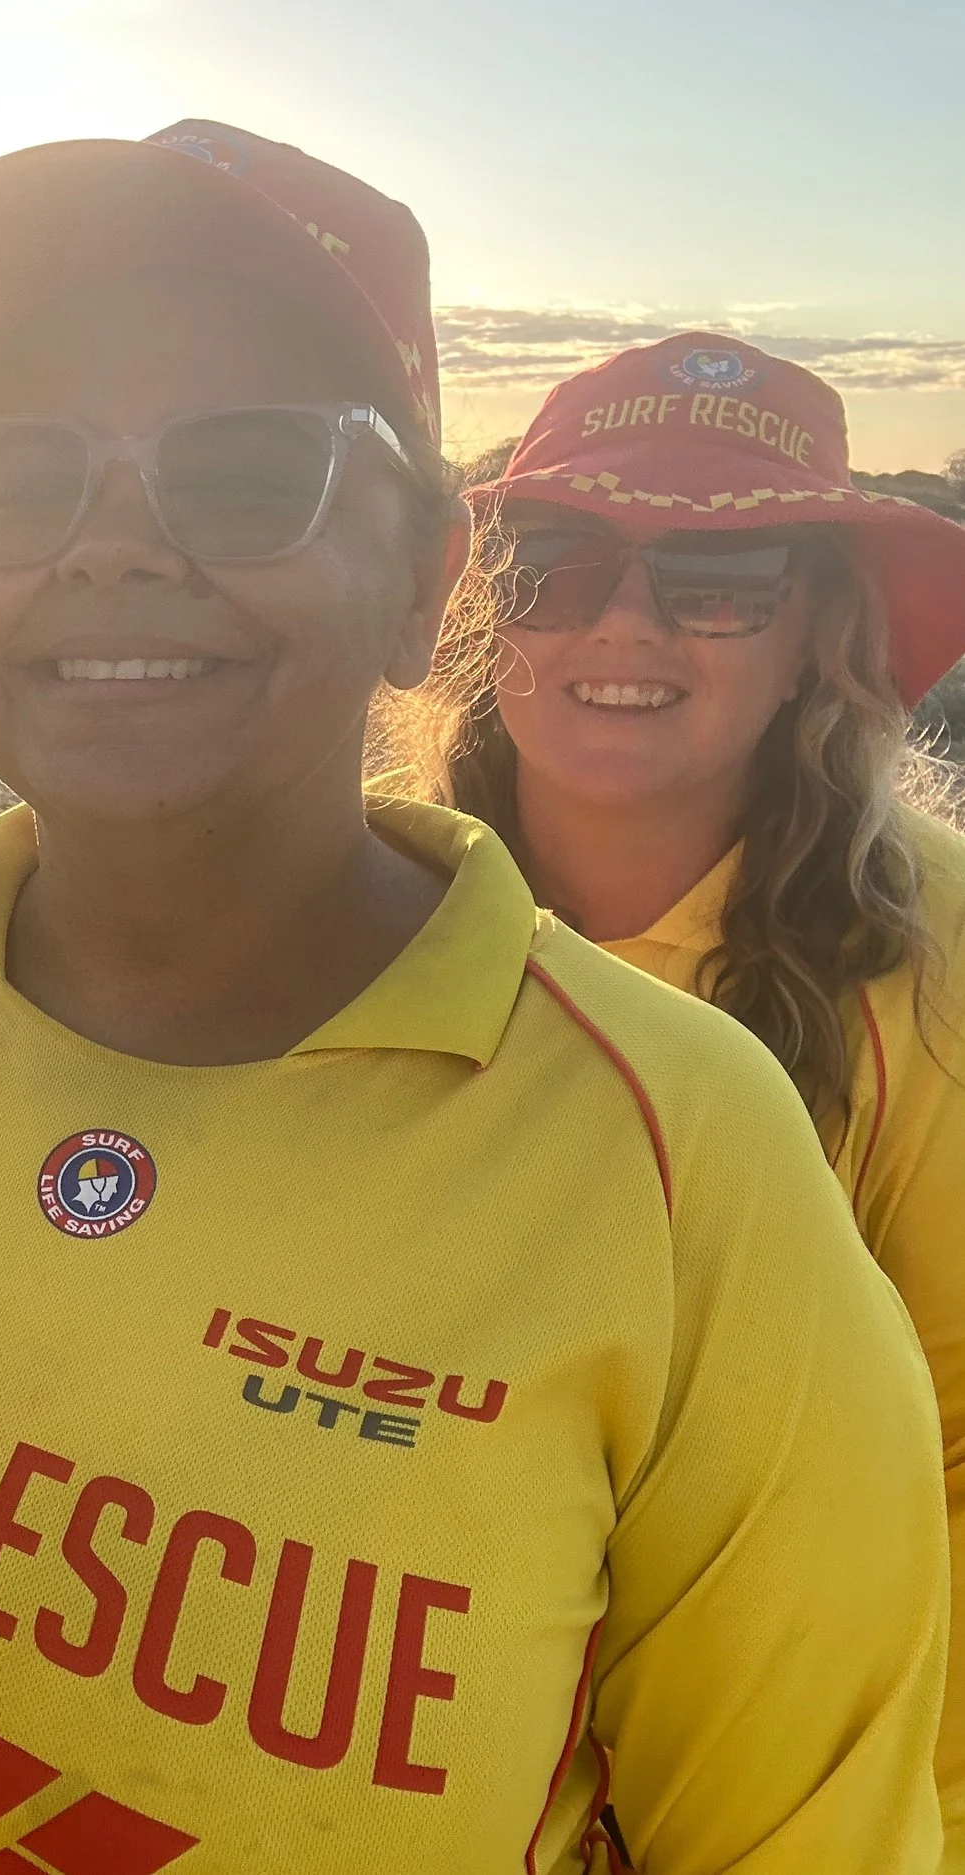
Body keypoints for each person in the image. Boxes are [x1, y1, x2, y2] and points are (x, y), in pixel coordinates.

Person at [0, 123, 948, 1872]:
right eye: (17, 475)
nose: (109, 549)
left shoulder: (687, 1165)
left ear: (430, 582)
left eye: (241, 470)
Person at [398, 330, 965, 1848]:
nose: (624, 624)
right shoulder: (351, 895)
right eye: (557, 563)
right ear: (475, 610)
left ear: (815, 641)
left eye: (721, 576)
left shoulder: (942, 961)